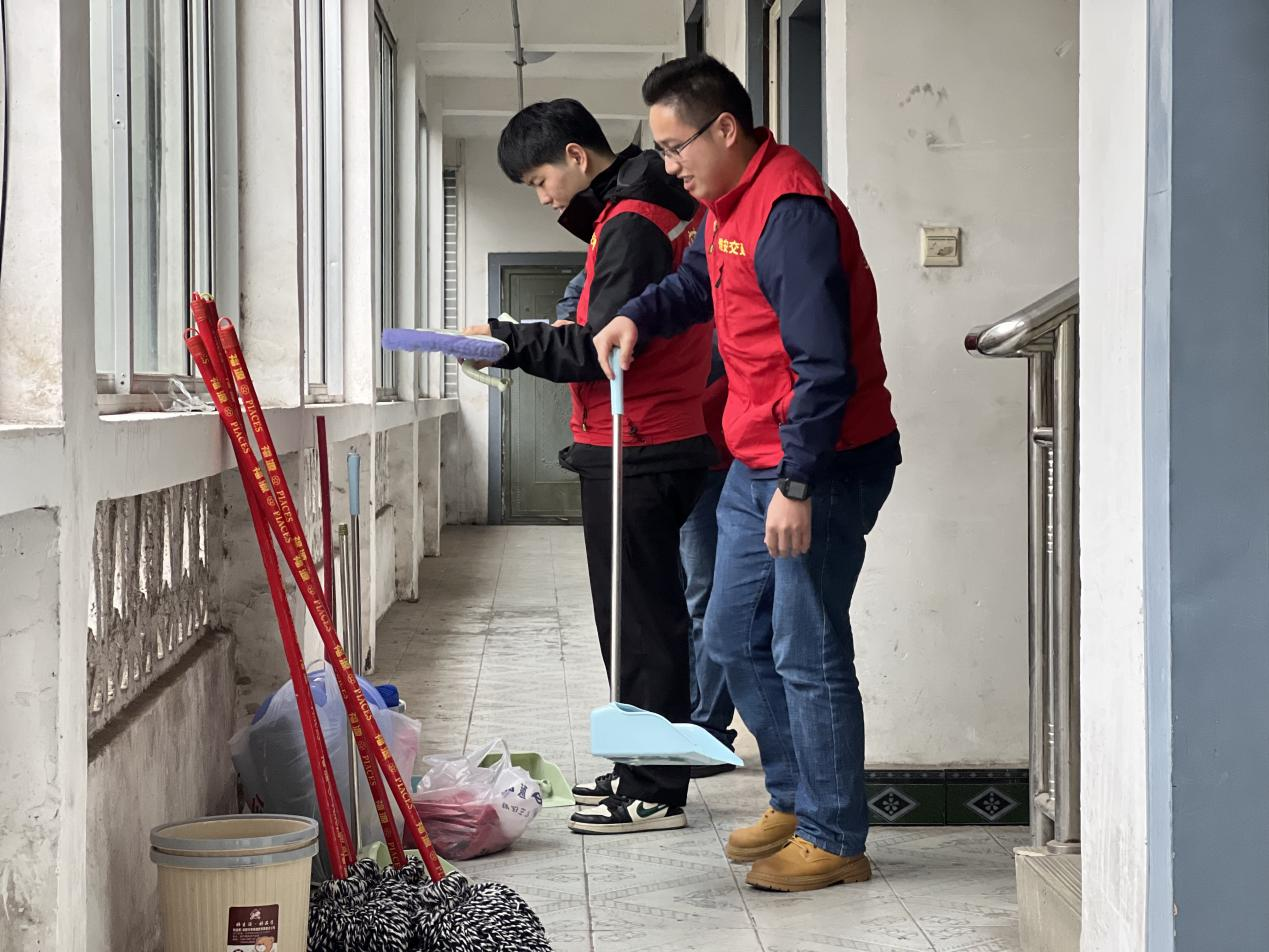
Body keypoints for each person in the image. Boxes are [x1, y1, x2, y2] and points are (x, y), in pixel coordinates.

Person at [593, 55, 901, 891]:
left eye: (675, 146)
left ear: (724, 128)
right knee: (731, 635)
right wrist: (635, 315)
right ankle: (796, 803)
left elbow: (823, 367)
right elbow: (698, 284)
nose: (668, 166)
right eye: (660, 150)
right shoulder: (727, 205)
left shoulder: (790, 211)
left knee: (807, 648)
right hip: (755, 457)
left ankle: (836, 837)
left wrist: (797, 485)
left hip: (822, 464)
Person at [464, 99, 715, 834]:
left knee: (640, 625)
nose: (544, 199)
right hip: (647, 434)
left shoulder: (633, 220)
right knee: (640, 619)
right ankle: (640, 770)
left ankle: (653, 790)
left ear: (576, 156)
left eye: (541, 180)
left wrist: (505, 341)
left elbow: (593, 348)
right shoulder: (637, 208)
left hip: (638, 439)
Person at [678, 337, 738, 776]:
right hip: (661, 460)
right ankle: (682, 721)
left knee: (706, 600)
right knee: (675, 602)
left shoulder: (715, 313)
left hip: (714, 462)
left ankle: (710, 730)